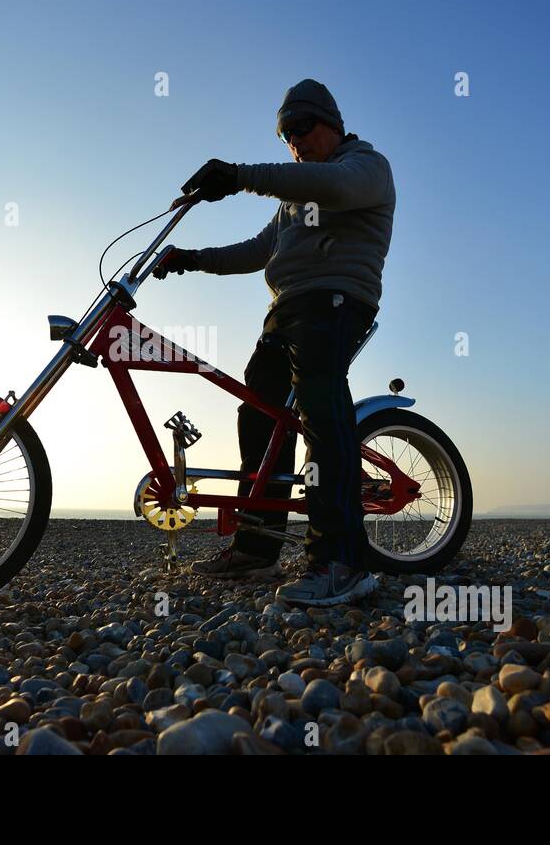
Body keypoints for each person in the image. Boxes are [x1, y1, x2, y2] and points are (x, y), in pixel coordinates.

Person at [153, 79, 395, 607]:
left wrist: (240, 177)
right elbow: (257, 250)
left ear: (331, 122)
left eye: (303, 128)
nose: (295, 141)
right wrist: (190, 258)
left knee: (318, 406)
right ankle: (257, 548)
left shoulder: (365, 168)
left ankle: (343, 562)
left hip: (335, 301)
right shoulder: (294, 200)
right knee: (258, 416)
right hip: (284, 311)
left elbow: (330, 187)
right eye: (286, 134)